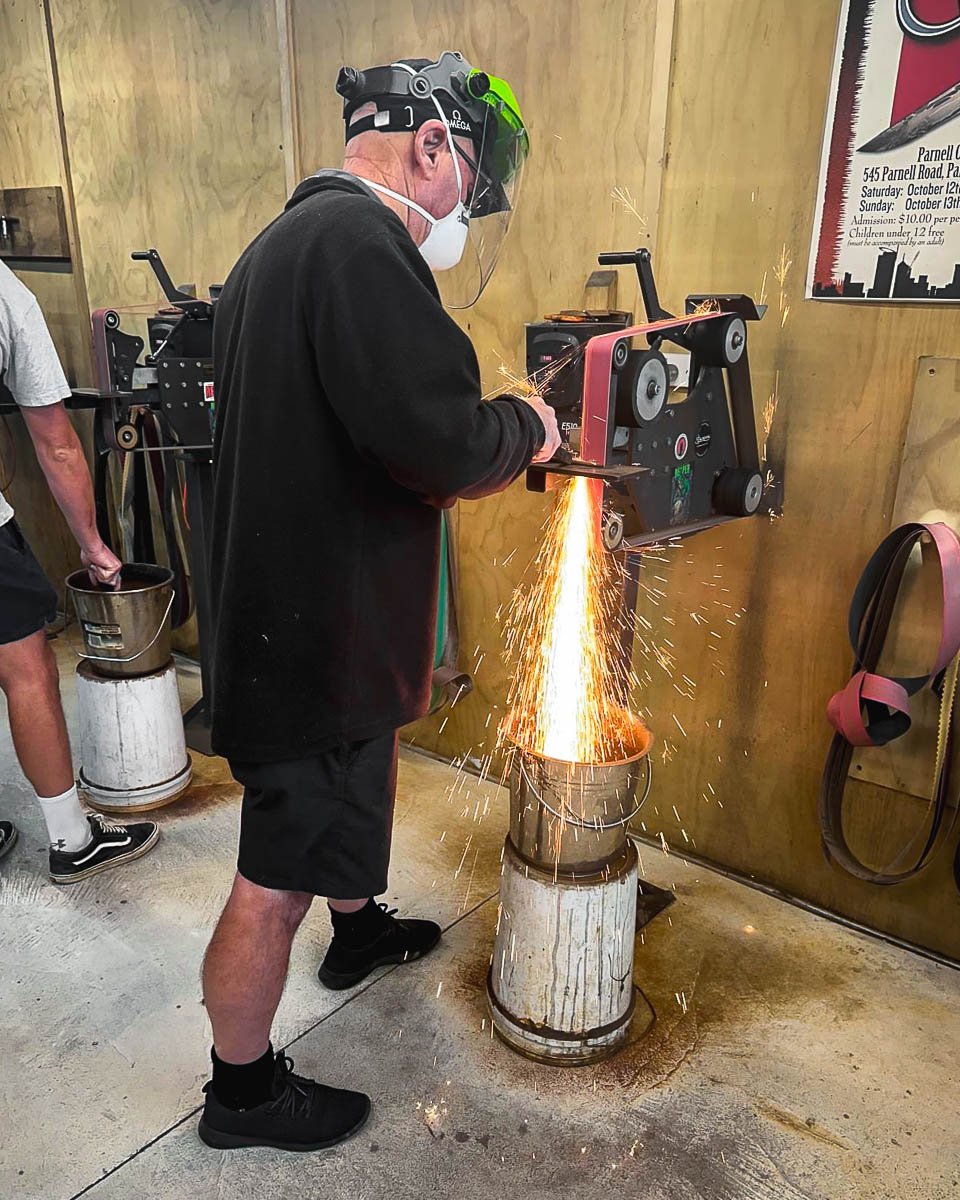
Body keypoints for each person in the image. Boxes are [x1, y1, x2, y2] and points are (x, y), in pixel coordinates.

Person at [198, 52, 560, 1152]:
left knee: (358, 780)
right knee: (274, 878)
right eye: (468, 184)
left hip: (303, 615)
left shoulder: (279, 245)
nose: (464, 212)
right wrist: (524, 429)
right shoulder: (362, 247)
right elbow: (435, 443)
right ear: (431, 146)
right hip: (314, 637)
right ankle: (242, 1094)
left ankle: (357, 932)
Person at [0, 260, 160, 881]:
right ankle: (72, 841)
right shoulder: (7, 294)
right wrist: (92, 543)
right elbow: (57, 442)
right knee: (27, 670)